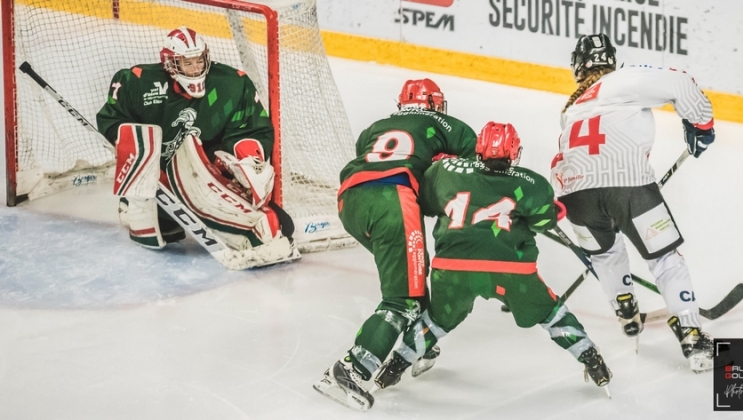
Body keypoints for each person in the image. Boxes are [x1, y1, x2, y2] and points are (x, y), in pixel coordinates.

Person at [374, 121, 613, 397]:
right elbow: (545, 221)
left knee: (435, 321)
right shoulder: (532, 182)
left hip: (452, 268)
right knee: (551, 314)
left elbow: (426, 204)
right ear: (513, 152)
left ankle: (393, 367)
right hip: (510, 270)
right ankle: (591, 360)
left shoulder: (444, 171)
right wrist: (549, 211)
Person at [550, 33, 716, 373]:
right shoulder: (623, 78)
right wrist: (701, 123)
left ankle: (625, 310)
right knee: (666, 259)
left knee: (605, 254)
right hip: (629, 189)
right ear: (610, 58)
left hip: (576, 196)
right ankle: (692, 335)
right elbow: (681, 83)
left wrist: (565, 203)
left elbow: (559, 164)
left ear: (577, 67)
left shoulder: (571, 110)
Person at [312, 78, 477, 411]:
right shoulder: (442, 122)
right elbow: (476, 160)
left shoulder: (376, 127)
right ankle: (351, 370)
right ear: (433, 104)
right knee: (403, 298)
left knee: (412, 270)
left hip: (350, 202)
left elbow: (374, 157)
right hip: (392, 200)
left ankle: (420, 344)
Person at [96, 26, 297, 268]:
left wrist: (246, 161)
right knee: (166, 229)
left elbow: (250, 128)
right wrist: (141, 170)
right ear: (170, 64)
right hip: (158, 180)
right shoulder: (137, 83)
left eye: (199, 61)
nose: (195, 69)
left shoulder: (231, 84)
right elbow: (114, 121)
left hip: (202, 174)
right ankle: (136, 202)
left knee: (283, 224)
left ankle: (248, 226)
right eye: (186, 63)